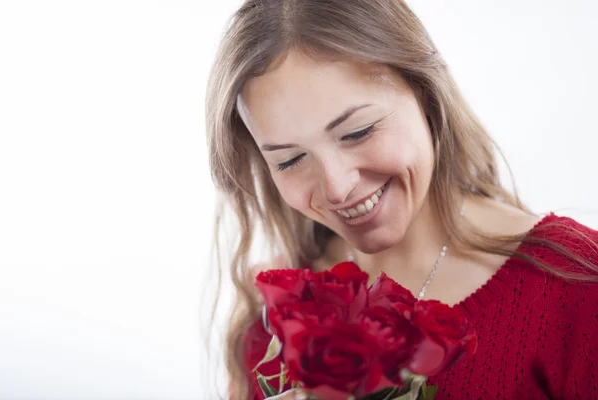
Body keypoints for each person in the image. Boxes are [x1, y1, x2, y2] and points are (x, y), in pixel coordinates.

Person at [205, 1, 598, 399]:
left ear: (424, 93)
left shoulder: (577, 284)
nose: (337, 187)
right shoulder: (274, 323)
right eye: (289, 160)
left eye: (358, 132)